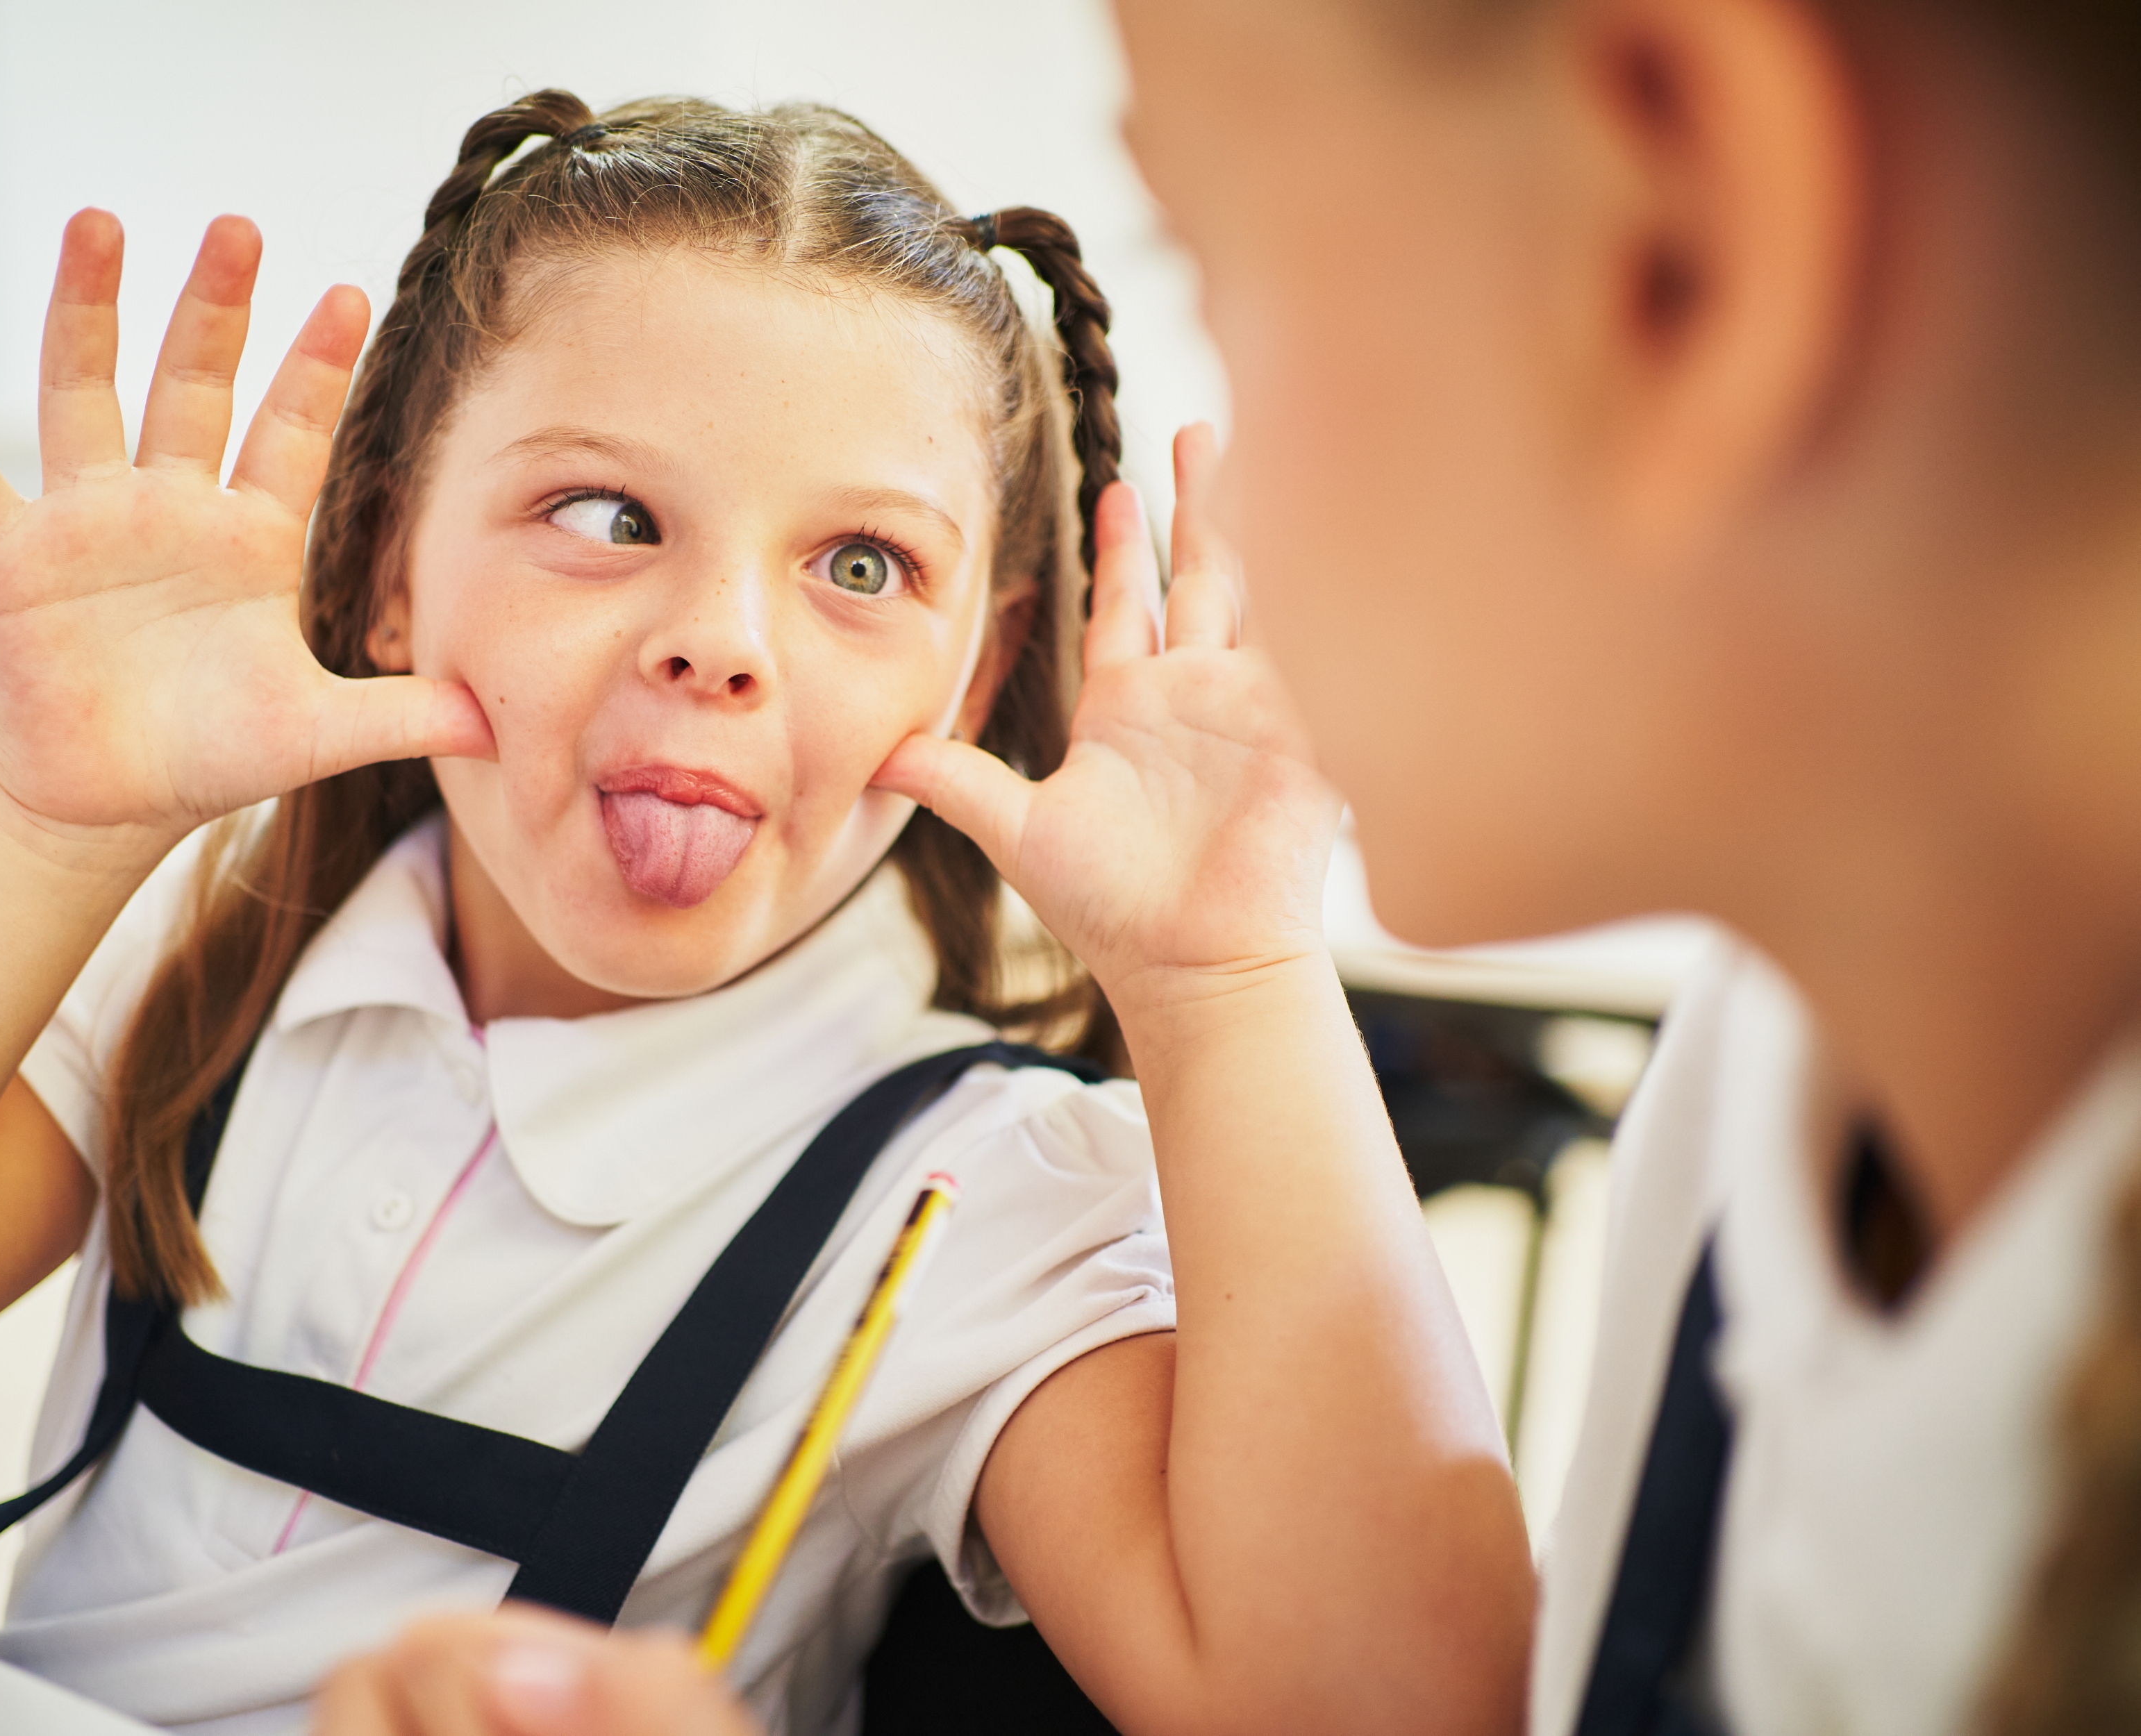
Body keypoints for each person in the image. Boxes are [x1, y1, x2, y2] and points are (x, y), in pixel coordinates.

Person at [0, 92, 1527, 1736]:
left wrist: (1235, 985)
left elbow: (1383, 1708)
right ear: (392, 562)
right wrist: (37, 816)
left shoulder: (981, 1190)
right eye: (607, 516)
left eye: (858, 560)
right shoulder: (224, 960)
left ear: (978, 660)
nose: (719, 643)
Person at [303, 1, 2141, 1734]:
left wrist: (1222, 978)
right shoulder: (1758, 1107)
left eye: (1220, 260)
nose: (1223, 509)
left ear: (1683, 249)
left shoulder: (963, 1187)